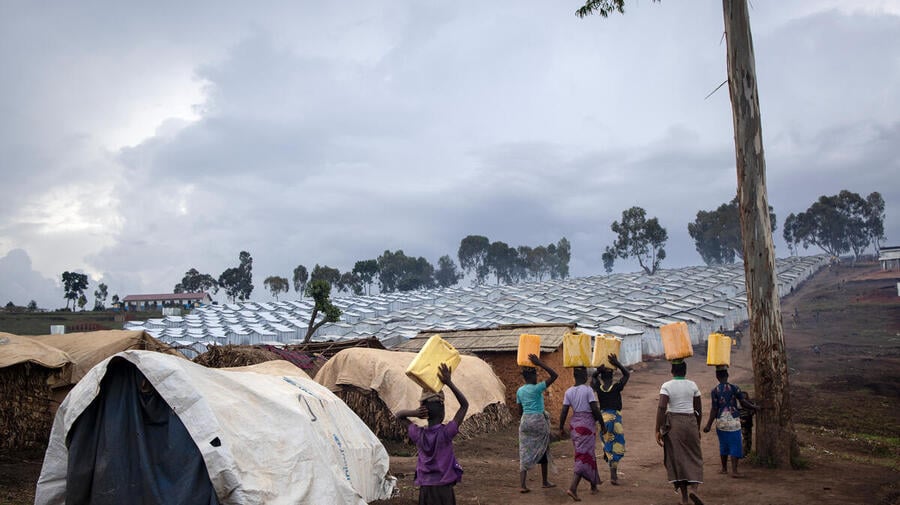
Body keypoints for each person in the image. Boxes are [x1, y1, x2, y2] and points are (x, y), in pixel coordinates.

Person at [396, 363, 469, 505]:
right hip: (444, 489)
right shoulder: (446, 433)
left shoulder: (418, 434)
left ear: (424, 412)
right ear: (442, 411)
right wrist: (449, 382)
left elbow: (399, 416)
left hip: (426, 489)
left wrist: (414, 413)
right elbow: (464, 405)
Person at [655, 360, 704, 505]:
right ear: (685, 371)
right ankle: (694, 490)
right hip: (691, 422)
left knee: (678, 459)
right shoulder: (693, 385)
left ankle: (684, 498)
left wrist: (657, 429)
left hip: (674, 424)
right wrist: (697, 428)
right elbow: (699, 410)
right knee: (695, 456)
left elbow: (661, 408)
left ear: (672, 371)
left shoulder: (667, 386)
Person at [559, 366, 604, 501]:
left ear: (574, 376)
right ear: (584, 376)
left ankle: (593, 485)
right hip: (586, 425)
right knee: (584, 456)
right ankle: (573, 487)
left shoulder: (568, 392)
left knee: (586, 453)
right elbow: (594, 408)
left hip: (575, 425)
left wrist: (561, 427)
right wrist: (602, 423)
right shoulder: (588, 390)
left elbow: (564, 411)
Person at [703, 367, 757, 477]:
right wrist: (755, 407)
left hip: (721, 421)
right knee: (735, 445)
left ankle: (724, 468)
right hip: (733, 420)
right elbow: (743, 403)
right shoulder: (734, 388)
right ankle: (735, 471)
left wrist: (708, 425)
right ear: (727, 375)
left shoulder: (715, 391)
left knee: (723, 444)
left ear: (717, 377)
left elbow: (714, 409)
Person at [516, 353, 558, 494]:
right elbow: (554, 375)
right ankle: (545, 481)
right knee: (544, 449)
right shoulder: (537, 388)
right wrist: (539, 363)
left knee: (524, 451)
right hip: (539, 421)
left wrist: (526, 420)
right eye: (536, 375)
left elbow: (519, 411)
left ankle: (522, 485)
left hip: (525, 421)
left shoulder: (520, 391)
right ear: (533, 376)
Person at [592, 353, 630, 485]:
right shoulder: (616, 387)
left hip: (603, 420)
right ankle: (613, 476)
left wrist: (597, 372)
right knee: (617, 446)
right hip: (615, 420)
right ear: (612, 376)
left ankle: (612, 471)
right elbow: (627, 375)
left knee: (608, 446)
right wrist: (617, 363)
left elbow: (592, 379)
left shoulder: (599, 388)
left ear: (602, 377)